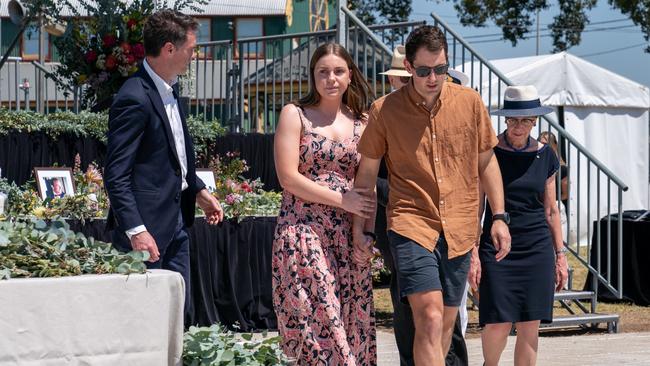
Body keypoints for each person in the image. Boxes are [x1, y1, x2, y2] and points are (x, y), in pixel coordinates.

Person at [353, 25, 511, 365]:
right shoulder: (385, 111)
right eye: (424, 71)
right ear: (409, 68)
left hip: (460, 225)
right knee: (430, 316)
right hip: (411, 225)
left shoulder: (469, 102)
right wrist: (360, 228)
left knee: (445, 327)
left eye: (440, 69)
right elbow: (365, 177)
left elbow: (487, 163)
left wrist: (499, 217)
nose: (433, 78)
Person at [104, 9, 223, 327]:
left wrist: (198, 190)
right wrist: (137, 231)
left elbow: (173, 156)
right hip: (146, 234)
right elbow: (115, 175)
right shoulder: (134, 98)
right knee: (144, 323)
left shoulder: (169, 90)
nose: (193, 55)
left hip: (176, 227)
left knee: (176, 316)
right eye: (191, 48)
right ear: (169, 48)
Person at [272, 43, 376, 365]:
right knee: (321, 324)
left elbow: (367, 183)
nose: (331, 78)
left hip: (347, 236)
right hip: (302, 231)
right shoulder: (295, 114)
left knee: (351, 327)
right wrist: (342, 200)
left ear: (349, 76)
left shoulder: (364, 121)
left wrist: (364, 232)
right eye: (323, 72)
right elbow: (287, 178)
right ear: (313, 76)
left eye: (338, 71)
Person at [474, 85, 569, 366]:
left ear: (535, 121)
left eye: (526, 120)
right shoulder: (488, 152)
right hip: (496, 246)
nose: (519, 126)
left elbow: (552, 210)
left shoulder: (546, 156)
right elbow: (477, 206)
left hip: (536, 247)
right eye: (513, 119)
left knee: (530, 324)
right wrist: (472, 251)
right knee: (498, 322)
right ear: (505, 120)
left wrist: (560, 255)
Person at [538, 131, 569, 242]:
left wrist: (552, 200)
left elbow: (565, 194)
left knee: (559, 242)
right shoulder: (536, 166)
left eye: (546, 144)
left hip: (555, 206)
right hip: (539, 207)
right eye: (540, 143)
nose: (542, 147)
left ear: (554, 145)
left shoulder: (562, 168)